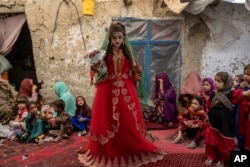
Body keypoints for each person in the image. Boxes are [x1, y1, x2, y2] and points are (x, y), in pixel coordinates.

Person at [78, 22, 164, 166]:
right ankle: (109, 148)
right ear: (109, 39)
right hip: (108, 90)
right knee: (108, 118)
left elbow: (135, 71)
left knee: (127, 118)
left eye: (119, 37)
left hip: (125, 90)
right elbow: (99, 70)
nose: (117, 41)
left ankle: (129, 146)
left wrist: (136, 70)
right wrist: (95, 63)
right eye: (114, 38)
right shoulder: (104, 55)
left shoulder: (128, 54)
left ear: (124, 38)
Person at [204, 71, 250, 167]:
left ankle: (222, 159)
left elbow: (245, 94)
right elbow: (209, 107)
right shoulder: (213, 94)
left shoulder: (232, 94)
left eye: (219, 81)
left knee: (224, 140)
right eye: (215, 80)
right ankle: (211, 156)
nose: (215, 83)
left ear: (226, 83)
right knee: (212, 140)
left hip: (225, 122)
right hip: (213, 122)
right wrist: (208, 117)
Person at [237, 64, 250, 150]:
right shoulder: (242, 85)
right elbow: (236, 96)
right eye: (244, 74)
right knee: (240, 128)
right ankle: (240, 146)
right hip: (241, 111)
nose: (245, 76)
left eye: (248, 74)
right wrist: (240, 87)